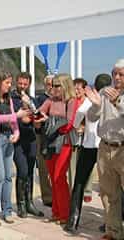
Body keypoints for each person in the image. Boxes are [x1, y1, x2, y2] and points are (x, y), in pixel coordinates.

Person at [64, 74, 111, 233]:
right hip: (106, 146)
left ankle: (73, 221)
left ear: (95, 86)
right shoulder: (111, 100)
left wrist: (80, 125)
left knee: (79, 183)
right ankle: (110, 221)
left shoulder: (89, 101)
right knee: (109, 186)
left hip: (89, 145)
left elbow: (77, 118)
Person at [0, 72, 29, 225]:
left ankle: (7, 210)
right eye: (7, 83)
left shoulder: (8, 98)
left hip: (8, 138)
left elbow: (12, 118)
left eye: (10, 83)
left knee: (8, 176)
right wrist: (17, 115)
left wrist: (16, 132)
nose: (10, 85)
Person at [86, 59, 124, 240]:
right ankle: (114, 232)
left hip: (123, 149)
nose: (116, 77)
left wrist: (117, 101)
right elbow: (92, 118)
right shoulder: (103, 92)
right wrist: (95, 105)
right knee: (109, 194)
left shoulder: (114, 95)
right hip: (104, 148)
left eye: (121, 74)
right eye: (114, 73)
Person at [37, 73, 77, 224]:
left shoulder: (71, 101)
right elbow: (39, 112)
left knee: (59, 177)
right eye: (52, 85)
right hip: (50, 142)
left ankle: (65, 214)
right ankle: (56, 212)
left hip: (64, 142)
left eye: (56, 85)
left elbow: (68, 124)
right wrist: (35, 115)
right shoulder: (50, 100)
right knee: (53, 178)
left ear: (65, 86)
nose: (53, 88)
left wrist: (48, 121)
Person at [11, 72, 44, 218]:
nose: (22, 86)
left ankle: (30, 202)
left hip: (31, 138)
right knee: (22, 171)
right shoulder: (11, 99)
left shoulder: (32, 99)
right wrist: (20, 119)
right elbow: (9, 118)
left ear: (29, 84)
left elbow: (36, 117)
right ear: (16, 82)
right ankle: (21, 204)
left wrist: (34, 119)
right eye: (20, 83)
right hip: (18, 139)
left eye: (25, 84)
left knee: (30, 171)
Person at [35, 74, 53, 207]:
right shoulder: (40, 98)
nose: (52, 87)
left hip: (57, 137)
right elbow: (35, 115)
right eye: (49, 84)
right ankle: (47, 197)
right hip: (42, 136)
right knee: (43, 168)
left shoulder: (61, 99)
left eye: (54, 84)